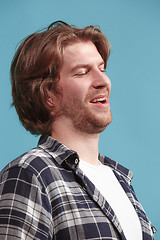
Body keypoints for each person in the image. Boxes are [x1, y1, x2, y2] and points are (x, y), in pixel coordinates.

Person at [0, 21, 156, 240]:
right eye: (82, 72)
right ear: (48, 95)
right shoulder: (31, 173)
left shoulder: (120, 180)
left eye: (102, 69)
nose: (103, 81)